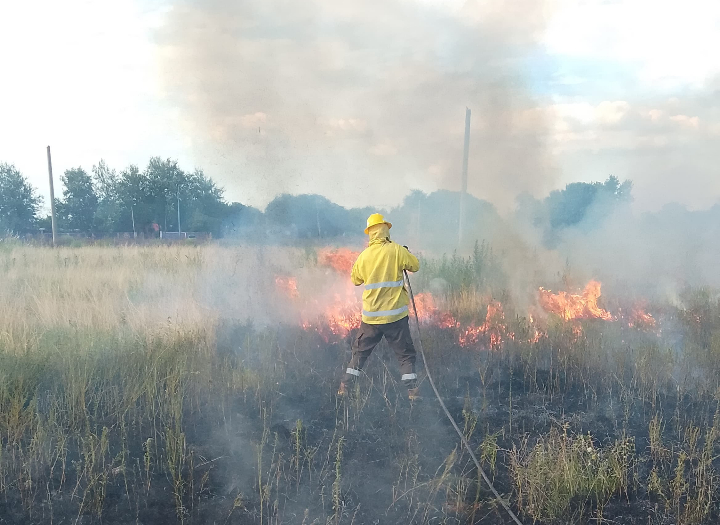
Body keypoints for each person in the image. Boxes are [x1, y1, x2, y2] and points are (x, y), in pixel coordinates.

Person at [338, 213, 421, 401]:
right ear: (385, 230)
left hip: (371, 318)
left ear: (370, 233)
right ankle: (413, 392)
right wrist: (405, 253)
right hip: (395, 318)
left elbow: (355, 280)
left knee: (360, 353)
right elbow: (415, 266)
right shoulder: (397, 250)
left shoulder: (364, 256)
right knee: (405, 355)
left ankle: (344, 388)